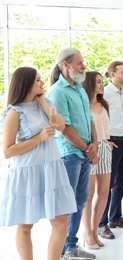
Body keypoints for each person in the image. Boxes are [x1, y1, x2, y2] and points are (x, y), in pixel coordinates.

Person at [0, 67, 77, 260]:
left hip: (52, 168)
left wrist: (42, 101)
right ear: (26, 83)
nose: (42, 82)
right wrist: (39, 137)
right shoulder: (14, 112)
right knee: (25, 225)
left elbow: (60, 125)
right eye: (37, 80)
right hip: (27, 171)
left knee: (61, 222)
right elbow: (8, 151)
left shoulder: (46, 103)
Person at [48, 47, 98, 260]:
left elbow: (90, 120)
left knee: (79, 201)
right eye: (79, 63)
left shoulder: (79, 89)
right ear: (66, 66)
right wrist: (87, 149)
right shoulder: (58, 92)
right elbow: (65, 128)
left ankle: (70, 246)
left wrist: (94, 143)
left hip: (84, 154)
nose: (84, 66)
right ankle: (61, 250)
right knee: (67, 204)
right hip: (70, 154)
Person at [98, 61, 123, 240]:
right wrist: (104, 139)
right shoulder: (104, 93)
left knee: (121, 181)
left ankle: (116, 217)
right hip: (111, 142)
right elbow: (97, 116)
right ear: (112, 74)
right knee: (107, 185)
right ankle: (102, 223)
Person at [81, 72, 112, 249]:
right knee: (89, 194)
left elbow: (104, 128)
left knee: (104, 192)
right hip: (90, 149)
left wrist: (107, 142)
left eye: (102, 81)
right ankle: (87, 232)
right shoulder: (83, 105)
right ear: (91, 83)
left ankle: (94, 229)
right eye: (99, 82)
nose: (102, 85)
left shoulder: (104, 104)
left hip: (105, 148)